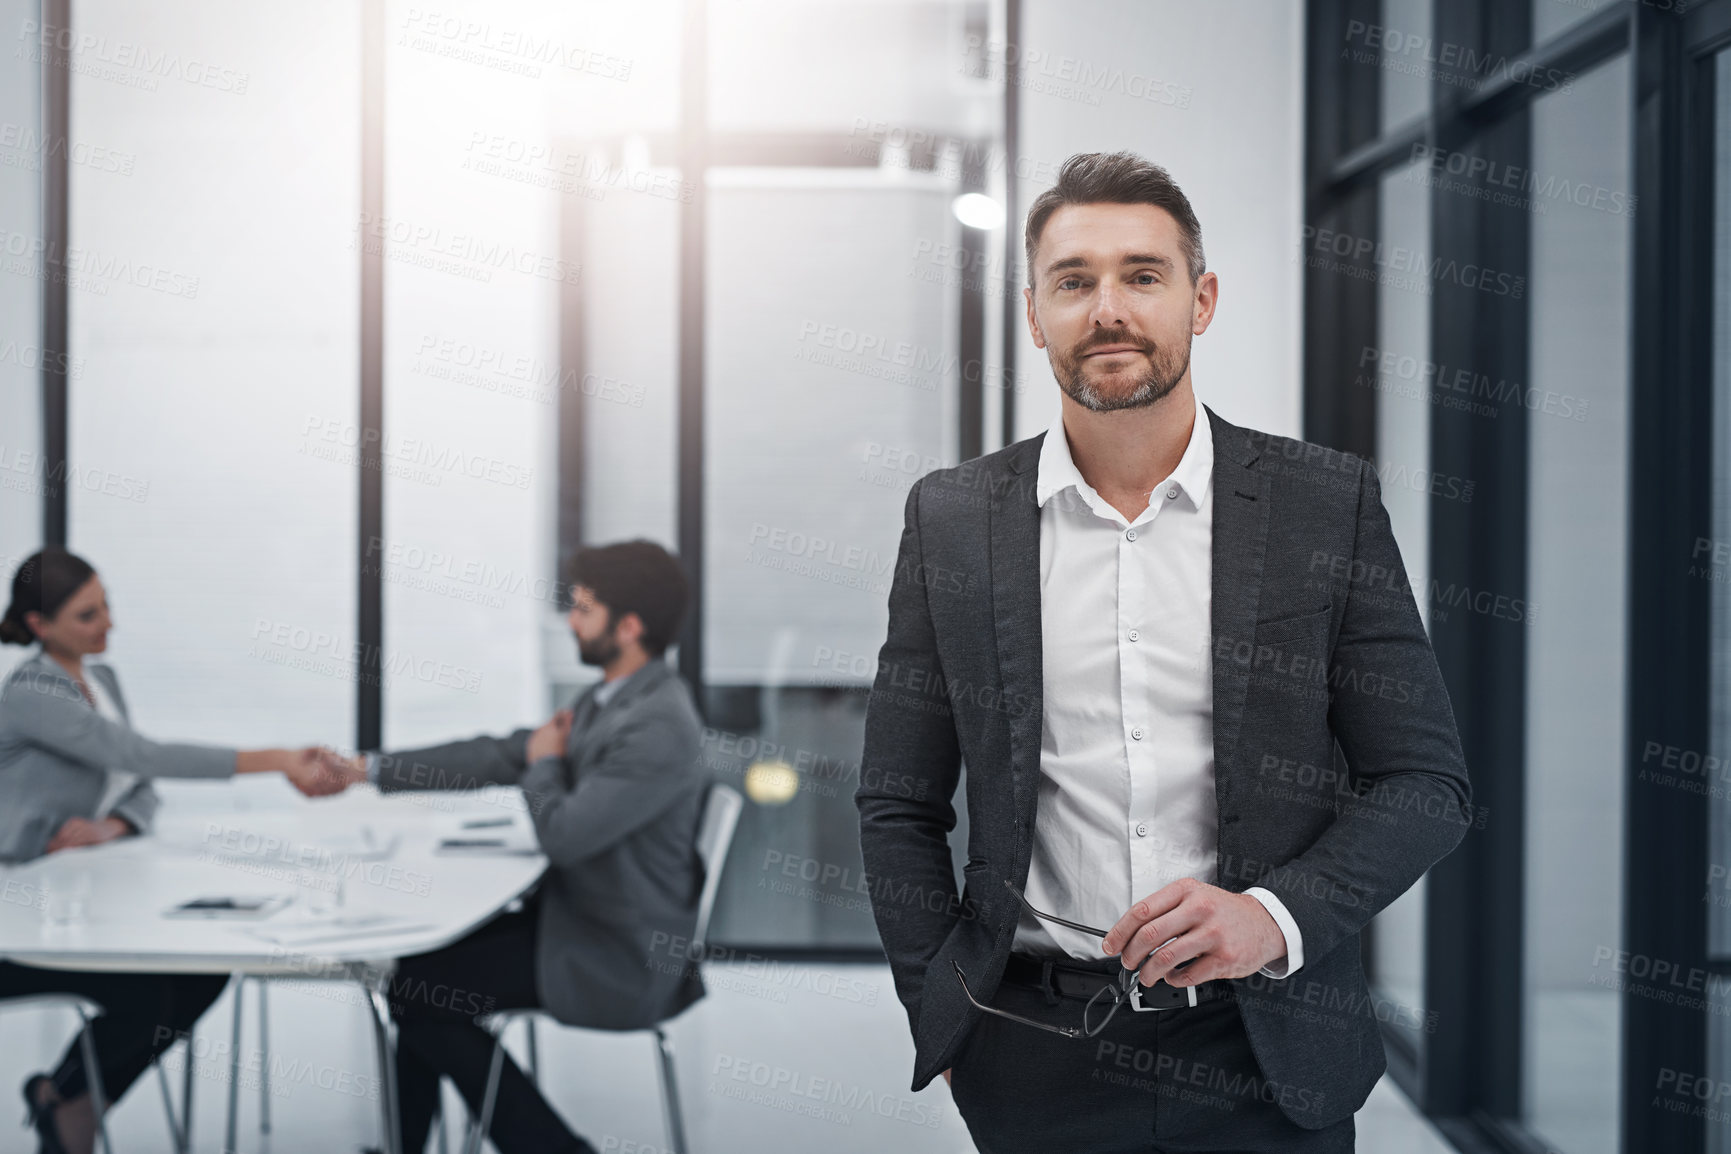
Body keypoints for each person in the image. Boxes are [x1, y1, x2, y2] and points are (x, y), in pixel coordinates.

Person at [855, 151, 1473, 1153]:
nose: (1109, 308)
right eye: (1074, 280)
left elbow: (1425, 780)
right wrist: (945, 1003)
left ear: (1202, 298)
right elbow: (897, 797)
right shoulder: (954, 518)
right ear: (1033, 312)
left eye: (1143, 274)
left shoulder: (1324, 503)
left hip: (1268, 1049)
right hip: (1032, 1047)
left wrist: (1275, 915)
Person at [335, 540, 707, 1154]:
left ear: (630, 626)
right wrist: (368, 770)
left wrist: (543, 766)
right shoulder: (612, 698)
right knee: (416, 974)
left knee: (418, 992)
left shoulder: (657, 724)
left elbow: (561, 833)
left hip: (616, 951)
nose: (571, 622)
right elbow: (503, 752)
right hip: (576, 922)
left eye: (584, 609)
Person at [0, 547, 353, 1154]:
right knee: (151, 995)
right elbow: (142, 756)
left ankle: (69, 1101)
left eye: (106, 604)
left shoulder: (100, 679)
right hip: (21, 912)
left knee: (203, 971)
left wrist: (114, 825)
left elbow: (138, 786)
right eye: (87, 615)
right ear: (38, 626)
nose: (107, 622)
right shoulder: (32, 691)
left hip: (83, 897)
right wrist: (274, 761)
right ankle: (70, 1105)